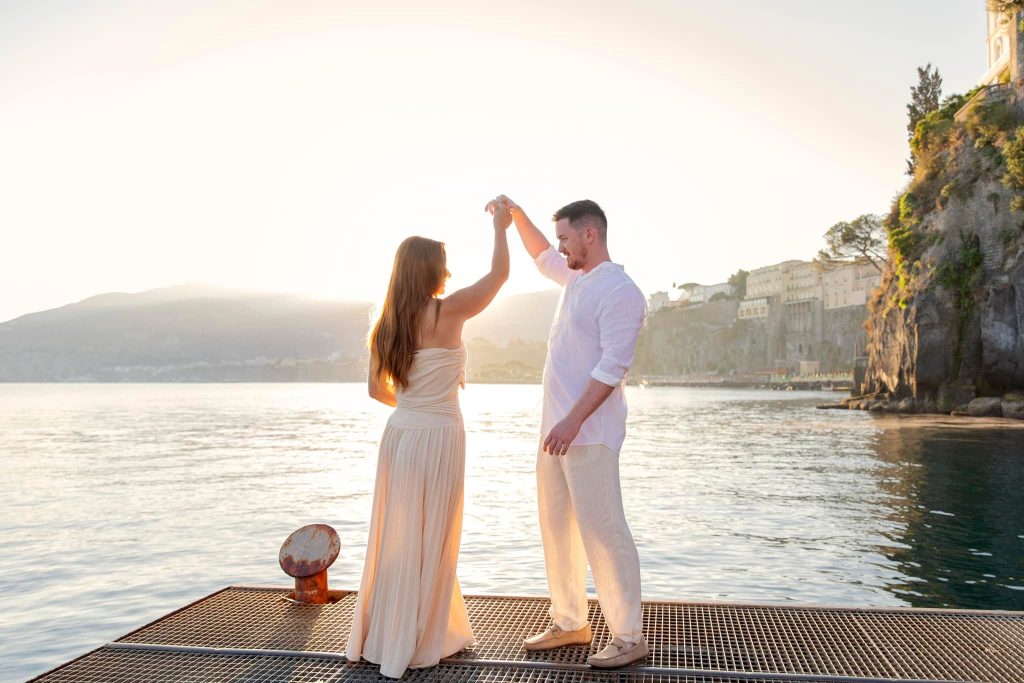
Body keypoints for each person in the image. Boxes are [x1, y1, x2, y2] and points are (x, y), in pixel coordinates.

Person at [345, 201, 513, 678]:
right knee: (435, 535)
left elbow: (378, 391)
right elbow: (499, 276)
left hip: (401, 436)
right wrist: (501, 227)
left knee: (398, 537)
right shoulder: (449, 310)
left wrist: (413, 406)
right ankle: (424, 638)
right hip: (440, 436)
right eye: (443, 265)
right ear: (430, 272)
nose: (449, 271)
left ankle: (389, 635)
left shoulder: (386, 326)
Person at [496, 195, 649, 668]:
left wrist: (573, 420)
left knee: (604, 533)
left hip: (589, 433)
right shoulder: (575, 278)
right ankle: (570, 622)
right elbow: (541, 255)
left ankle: (628, 635)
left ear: (590, 234)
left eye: (566, 238)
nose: (560, 248)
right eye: (559, 238)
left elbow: (612, 368)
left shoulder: (620, 291)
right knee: (556, 527)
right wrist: (517, 215)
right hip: (555, 434)